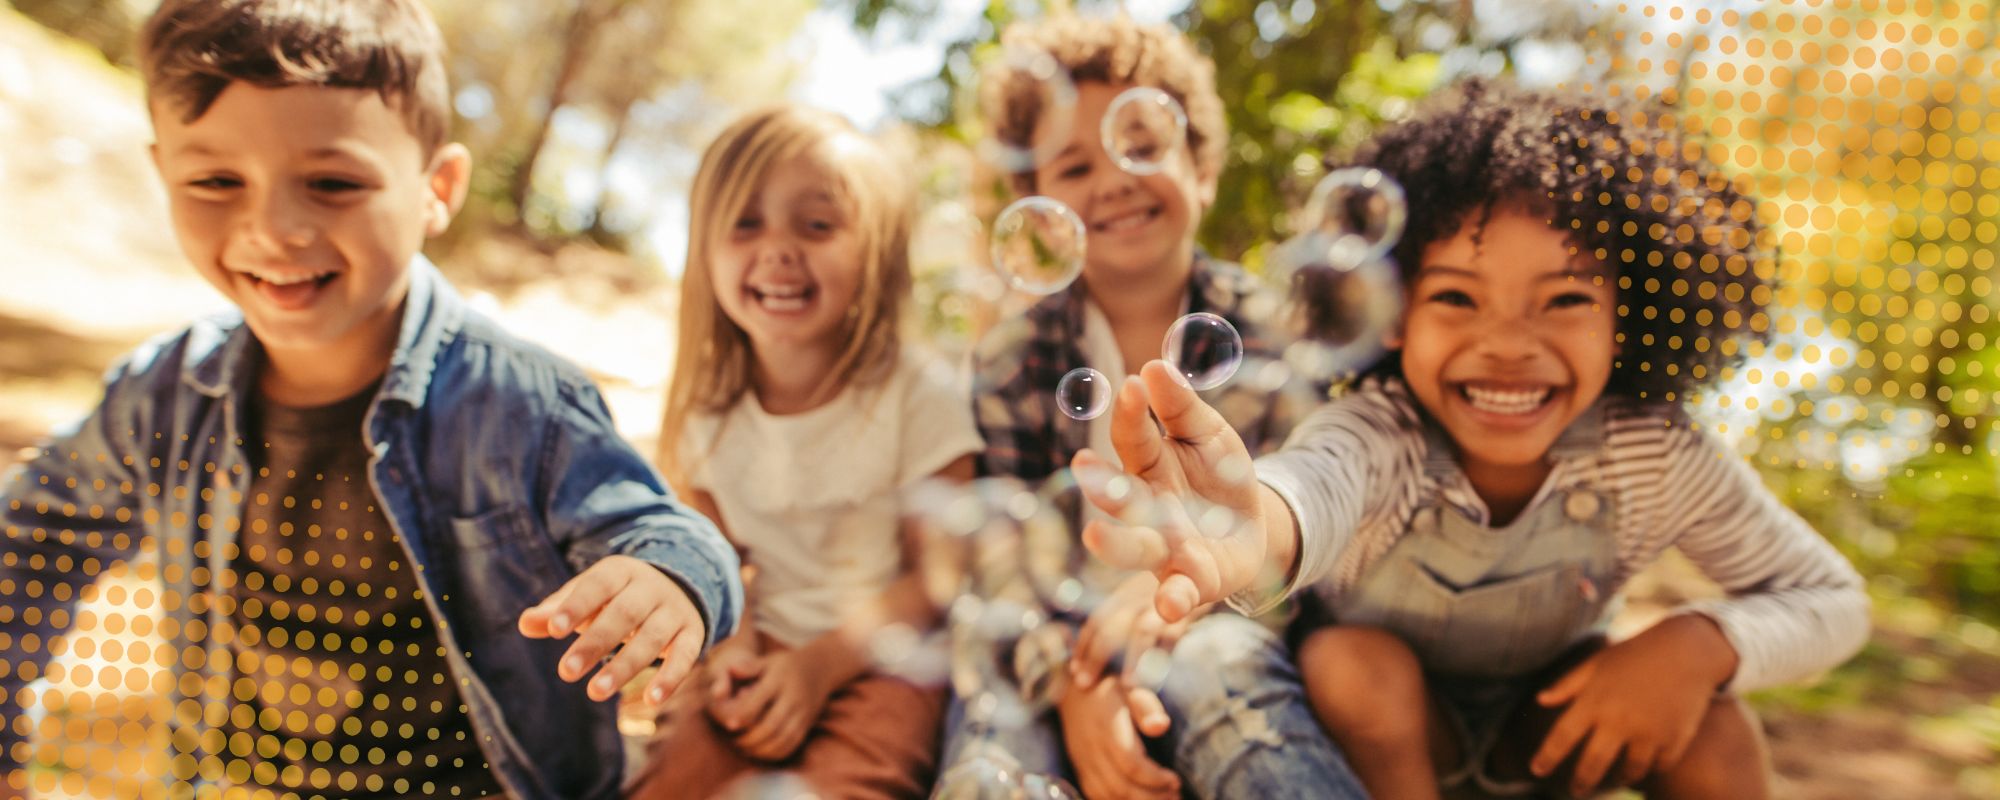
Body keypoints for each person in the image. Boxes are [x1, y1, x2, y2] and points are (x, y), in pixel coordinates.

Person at [0, 2, 742, 798]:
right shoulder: (161, 395)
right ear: (163, 174)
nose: (273, 228)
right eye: (216, 181)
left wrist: (670, 579)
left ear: (437, 189)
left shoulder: (520, 403)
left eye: (333, 183)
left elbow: (664, 532)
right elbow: (33, 544)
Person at [1077, 78, 1871, 799]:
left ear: (1627, 319)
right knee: (1353, 663)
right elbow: (1314, 482)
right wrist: (1252, 524)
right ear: (1391, 314)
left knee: (1716, 722)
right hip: (1385, 746)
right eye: (1457, 298)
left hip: (1552, 734)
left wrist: (1699, 644)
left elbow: (1833, 599)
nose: (1508, 345)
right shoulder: (1383, 431)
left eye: (1565, 299)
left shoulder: (1653, 453)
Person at [959, 14, 1361, 800]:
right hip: (1055, 650)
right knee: (994, 737)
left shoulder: (1272, 336)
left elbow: (1294, 538)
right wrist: (1073, 682)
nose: (1113, 180)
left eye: (1141, 147)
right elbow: (1003, 558)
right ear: (1039, 210)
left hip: (1218, 628)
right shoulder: (1013, 360)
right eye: (1075, 165)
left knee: (1229, 684)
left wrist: (1175, 609)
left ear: (1201, 169)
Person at [625, 105, 983, 799]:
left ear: (875, 252)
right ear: (704, 249)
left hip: (884, 659)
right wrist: (734, 650)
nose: (779, 249)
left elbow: (939, 575)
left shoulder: (918, 392)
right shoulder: (707, 410)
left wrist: (820, 667)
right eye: (745, 223)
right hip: (757, 652)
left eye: (817, 225)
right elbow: (717, 560)